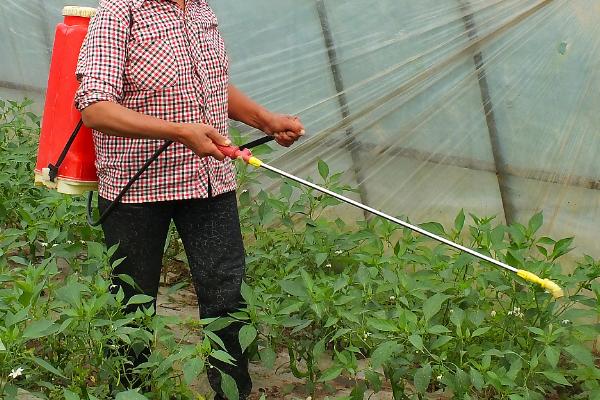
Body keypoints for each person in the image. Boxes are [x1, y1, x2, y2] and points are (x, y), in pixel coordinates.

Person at [74, 0, 305, 398]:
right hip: (137, 186)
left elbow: (211, 87)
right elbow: (94, 108)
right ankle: (131, 391)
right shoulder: (120, 12)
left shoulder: (201, 10)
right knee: (132, 301)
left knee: (228, 296)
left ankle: (232, 393)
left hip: (209, 180)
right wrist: (179, 132)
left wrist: (265, 120)